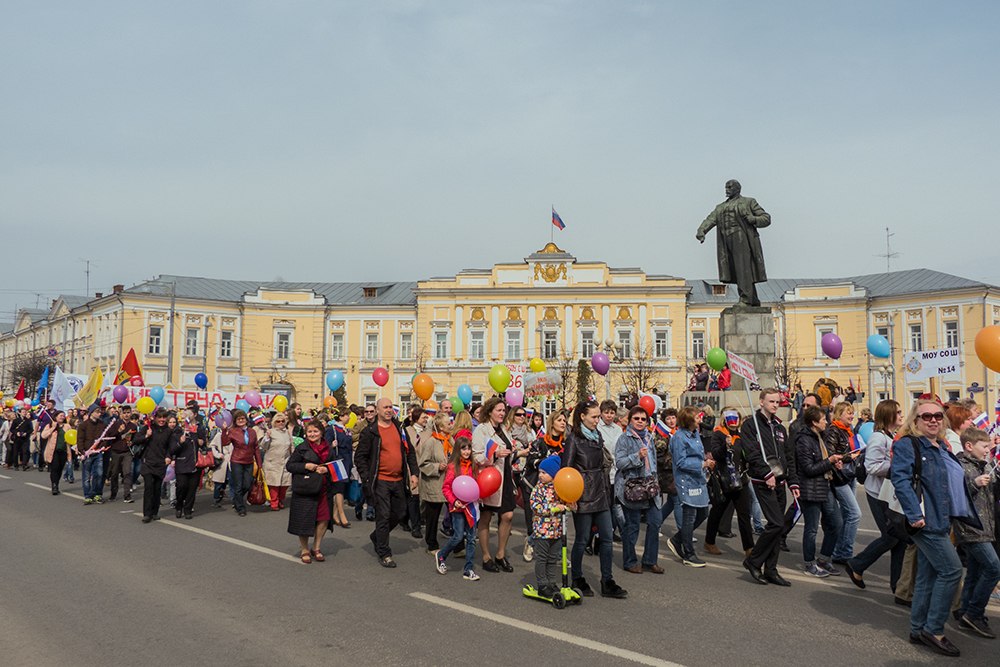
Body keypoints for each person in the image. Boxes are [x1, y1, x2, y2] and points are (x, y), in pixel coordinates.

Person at [890, 399, 974, 657]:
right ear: (915, 421)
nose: (933, 420)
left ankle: (918, 628)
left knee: (927, 574)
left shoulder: (942, 446)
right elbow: (900, 479)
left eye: (938, 416)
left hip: (942, 518)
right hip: (925, 521)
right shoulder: (909, 444)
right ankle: (934, 629)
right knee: (951, 571)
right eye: (926, 417)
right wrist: (915, 514)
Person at [563, 400, 627, 599]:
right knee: (582, 540)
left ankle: (607, 581)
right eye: (594, 417)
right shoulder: (574, 438)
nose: (597, 420)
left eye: (599, 416)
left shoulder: (597, 435)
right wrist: (568, 497)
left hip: (601, 493)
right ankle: (577, 578)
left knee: (607, 538)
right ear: (582, 416)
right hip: (582, 495)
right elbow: (566, 469)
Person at [846, 400, 907, 592]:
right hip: (878, 493)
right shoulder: (877, 438)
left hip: (889, 494)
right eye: (897, 412)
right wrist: (899, 467)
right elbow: (871, 466)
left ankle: (898, 585)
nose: (901, 416)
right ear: (888, 415)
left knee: (900, 539)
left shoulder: (892, 435)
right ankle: (857, 564)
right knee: (890, 537)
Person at [739, 388, 797, 586]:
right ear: (761, 401)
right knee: (776, 523)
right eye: (771, 401)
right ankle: (753, 560)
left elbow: (788, 456)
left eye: (777, 402)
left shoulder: (780, 428)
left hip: (780, 481)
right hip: (763, 481)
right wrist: (766, 473)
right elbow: (752, 452)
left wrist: (793, 481)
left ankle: (771, 569)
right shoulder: (750, 425)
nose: (775, 405)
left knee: (778, 527)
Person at [356, 397, 419, 569]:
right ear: (377, 410)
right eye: (385, 407)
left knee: (400, 513)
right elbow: (360, 457)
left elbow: (410, 452)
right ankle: (384, 552)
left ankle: (377, 536)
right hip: (380, 481)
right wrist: (366, 477)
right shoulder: (371, 432)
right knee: (383, 515)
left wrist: (414, 473)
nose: (389, 410)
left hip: (398, 480)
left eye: (391, 407)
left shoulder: (400, 429)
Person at [695, 179, 771, 307]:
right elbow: (710, 219)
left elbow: (766, 218)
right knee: (737, 270)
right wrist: (702, 230)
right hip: (725, 241)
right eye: (726, 187)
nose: (727, 190)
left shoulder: (748, 202)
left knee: (743, 268)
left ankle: (746, 299)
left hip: (741, 238)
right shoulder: (720, 207)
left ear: (737, 189)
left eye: (730, 187)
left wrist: (753, 219)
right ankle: (753, 299)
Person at [953, 427, 999, 638]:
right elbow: (955, 495)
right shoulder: (960, 466)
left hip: (986, 526)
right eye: (985, 446)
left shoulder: (985, 464)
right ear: (969, 446)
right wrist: (974, 483)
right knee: (994, 568)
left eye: (990, 446)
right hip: (971, 527)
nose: (988, 450)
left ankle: (964, 612)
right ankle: (974, 614)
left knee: (975, 571)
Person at [794, 405, 845, 577]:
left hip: (825, 485)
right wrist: (829, 461)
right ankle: (809, 564)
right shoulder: (804, 439)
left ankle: (824, 558)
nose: (826, 422)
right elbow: (808, 468)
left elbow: (825, 460)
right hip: (811, 488)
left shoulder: (821, 437)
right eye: (823, 420)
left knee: (836, 523)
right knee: (812, 529)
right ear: (814, 422)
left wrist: (835, 461)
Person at [472, 397, 520, 573]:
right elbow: (476, 456)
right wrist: (495, 455)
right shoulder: (481, 430)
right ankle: (486, 556)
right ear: (490, 411)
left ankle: (500, 554)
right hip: (488, 479)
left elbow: (508, 451)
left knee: (507, 515)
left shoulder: (503, 430)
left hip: (505, 477)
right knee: (485, 517)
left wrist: (513, 452)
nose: (502, 413)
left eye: (503, 410)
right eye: (499, 410)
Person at [615, 405, 664, 574]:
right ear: (630, 421)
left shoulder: (649, 437)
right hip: (633, 488)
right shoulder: (625, 439)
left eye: (643, 419)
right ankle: (630, 561)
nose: (640, 422)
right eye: (636, 418)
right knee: (632, 526)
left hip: (650, 487)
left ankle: (650, 560)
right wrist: (637, 457)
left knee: (656, 521)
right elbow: (619, 463)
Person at [666, 406, 713, 568]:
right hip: (686, 481)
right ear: (688, 420)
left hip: (698, 479)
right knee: (689, 515)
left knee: (703, 512)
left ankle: (677, 539)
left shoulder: (695, 434)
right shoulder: (679, 437)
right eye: (697, 416)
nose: (700, 418)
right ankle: (688, 553)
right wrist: (702, 463)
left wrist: (706, 459)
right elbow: (680, 462)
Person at [704, 409, 754, 557]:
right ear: (725, 420)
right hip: (724, 481)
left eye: (737, 418)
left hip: (740, 480)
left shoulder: (740, 436)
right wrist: (725, 447)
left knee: (744, 514)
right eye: (731, 419)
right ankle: (709, 541)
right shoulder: (718, 434)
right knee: (717, 512)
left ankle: (749, 548)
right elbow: (717, 454)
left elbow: (747, 455)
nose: (734, 422)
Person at [286, 420, 335, 563]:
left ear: (321, 432)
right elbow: (290, 466)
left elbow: (336, 465)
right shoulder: (301, 448)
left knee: (324, 518)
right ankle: (304, 549)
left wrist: (327, 469)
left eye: (315, 431)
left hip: (324, 489)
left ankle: (316, 547)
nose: (312, 434)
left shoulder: (329, 448)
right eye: (309, 432)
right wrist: (306, 466)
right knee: (304, 521)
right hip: (306, 489)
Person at [523, 410, 567, 561]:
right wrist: (547, 460)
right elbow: (530, 461)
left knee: (557, 521)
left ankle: (558, 553)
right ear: (552, 423)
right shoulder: (540, 442)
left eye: (564, 420)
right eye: (560, 420)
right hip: (537, 486)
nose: (563, 423)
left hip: (557, 488)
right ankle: (531, 541)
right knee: (538, 519)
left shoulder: (566, 444)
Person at [530, 454, 575, 596]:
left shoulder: (559, 488)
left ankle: (551, 582)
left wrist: (571, 505)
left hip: (557, 530)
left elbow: (567, 501)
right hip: (542, 530)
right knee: (542, 558)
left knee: (553, 559)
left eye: (544, 472)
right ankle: (542, 584)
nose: (541, 475)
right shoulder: (539, 488)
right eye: (540, 472)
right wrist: (553, 508)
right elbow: (535, 506)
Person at [436, 435, 480, 581]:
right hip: (457, 508)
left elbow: (476, 485)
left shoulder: (474, 466)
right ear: (458, 450)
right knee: (458, 536)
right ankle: (442, 555)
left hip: (471, 506)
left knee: (472, 539)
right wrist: (454, 501)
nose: (467, 452)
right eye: (463, 449)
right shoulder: (452, 467)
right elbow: (446, 488)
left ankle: (468, 570)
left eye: (469, 449)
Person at [825, 401, 862, 565]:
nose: (852, 416)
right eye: (848, 413)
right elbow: (832, 454)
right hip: (839, 478)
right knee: (855, 514)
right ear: (839, 414)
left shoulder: (849, 430)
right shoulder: (834, 430)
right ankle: (844, 552)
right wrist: (850, 457)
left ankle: (838, 550)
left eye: (852, 412)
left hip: (849, 475)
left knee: (848, 515)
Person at [132, 408, 179, 523]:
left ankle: (154, 512)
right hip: (148, 462)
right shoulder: (148, 428)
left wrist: (169, 456)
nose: (162, 420)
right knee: (149, 487)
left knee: (157, 488)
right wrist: (146, 436)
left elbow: (171, 446)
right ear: (155, 417)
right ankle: (147, 513)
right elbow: (136, 440)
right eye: (160, 417)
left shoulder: (168, 431)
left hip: (161, 463)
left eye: (164, 417)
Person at [417, 412, 450, 554]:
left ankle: (458, 545)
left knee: (455, 514)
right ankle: (431, 544)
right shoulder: (431, 442)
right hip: (434, 484)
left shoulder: (450, 440)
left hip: (449, 484)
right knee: (433, 516)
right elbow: (423, 464)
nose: (451, 425)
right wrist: (437, 467)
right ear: (441, 427)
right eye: (448, 423)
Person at [169, 405, 204, 520]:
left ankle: (188, 509)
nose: (186, 420)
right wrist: (180, 441)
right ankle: (179, 505)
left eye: (188, 417)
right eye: (184, 418)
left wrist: (197, 437)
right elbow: (173, 449)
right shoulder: (177, 431)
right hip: (182, 462)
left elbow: (202, 443)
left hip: (195, 463)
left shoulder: (199, 429)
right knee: (182, 486)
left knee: (192, 488)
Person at [222, 409, 260, 517]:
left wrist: (259, 463)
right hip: (237, 461)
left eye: (242, 418)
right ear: (235, 421)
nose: (241, 420)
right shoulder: (233, 431)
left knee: (248, 484)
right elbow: (225, 442)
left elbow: (256, 447)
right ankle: (240, 508)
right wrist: (224, 431)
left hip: (249, 461)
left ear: (246, 420)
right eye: (238, 419)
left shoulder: (252, 431)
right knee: (238, 485)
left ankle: (236, 499)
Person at [260, 412, 294, 511]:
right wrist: (267, 437)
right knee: (274, 484)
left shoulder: (287, 432)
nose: (281, 423)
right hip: (272, 461)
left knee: (285, 484)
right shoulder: (271, 432)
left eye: (283, 421)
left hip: (285, 461)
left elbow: (291, 446)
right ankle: (274, 502)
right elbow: (263, 446)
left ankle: (280, 499)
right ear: (274, 422)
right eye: (278, 421)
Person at [325, 411, 354, 527]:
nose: (349, 417)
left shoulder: (346, 430)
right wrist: (331, 445)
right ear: (341, 416)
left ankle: (335, 514)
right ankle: (342, 515)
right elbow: (325, 445)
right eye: (347, 415)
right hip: (337, 461)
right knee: (339, 488)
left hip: (346, 461)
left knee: (341, 487)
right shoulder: (332, 429)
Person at [78, 404, 109, 504]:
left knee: (99, 473)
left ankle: (97, 494)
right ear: (91, 412)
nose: (99, 413)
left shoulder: (102, 424)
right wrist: (82, 451)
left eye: (100, 412)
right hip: (87, 453)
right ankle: (87, 495)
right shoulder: (83, 425)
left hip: (98, 452)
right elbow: (80, 439)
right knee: (86, 475)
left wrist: (102, 447)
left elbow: (105, 437)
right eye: (97, 412)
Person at [106, 405, 136, 503]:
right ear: (121, 414)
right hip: (116, 452)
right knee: (114, 474)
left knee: (127, 473)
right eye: (125, 413)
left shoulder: (133, 426)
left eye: (128, 412)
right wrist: (118, 431)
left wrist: (132, 442)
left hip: (127, 452)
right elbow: (109, 436)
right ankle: (113, 494)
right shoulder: (116, 424)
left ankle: (127, 495)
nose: (127, 415)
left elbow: (135, 438)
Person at [40, 412, 69, 495]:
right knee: (55, 468)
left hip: (63, 450)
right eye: (60, 416)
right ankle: (54, 486)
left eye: (63, 416)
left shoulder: (67, 426)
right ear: (55, 417)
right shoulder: (49, 426)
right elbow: (43, 435)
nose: (62, 417)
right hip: (53, 451)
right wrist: (53, 428)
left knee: (60, 469)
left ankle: (57, 483)